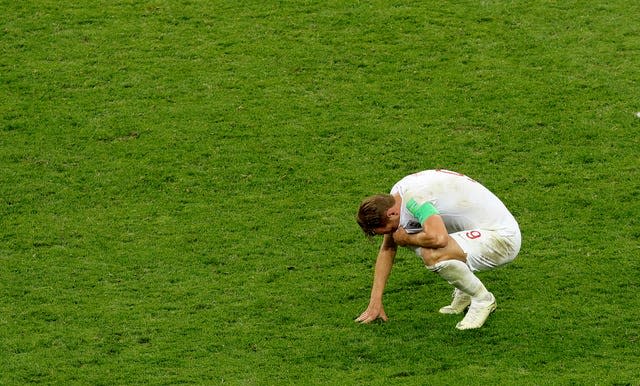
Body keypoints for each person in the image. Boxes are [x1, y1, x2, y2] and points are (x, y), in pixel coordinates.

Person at [355, 169, 521, 330]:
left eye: (389, 229)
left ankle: (482, 300)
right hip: (479, 229)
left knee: (432, 252)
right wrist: (375, 302)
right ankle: (465, 291)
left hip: (502, 239)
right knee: (414, 232)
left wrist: (406, 239)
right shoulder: (396, 197)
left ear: (391, 214)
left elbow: (440, 239)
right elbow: (388, 248)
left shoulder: (415, 201)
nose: (392, 234)